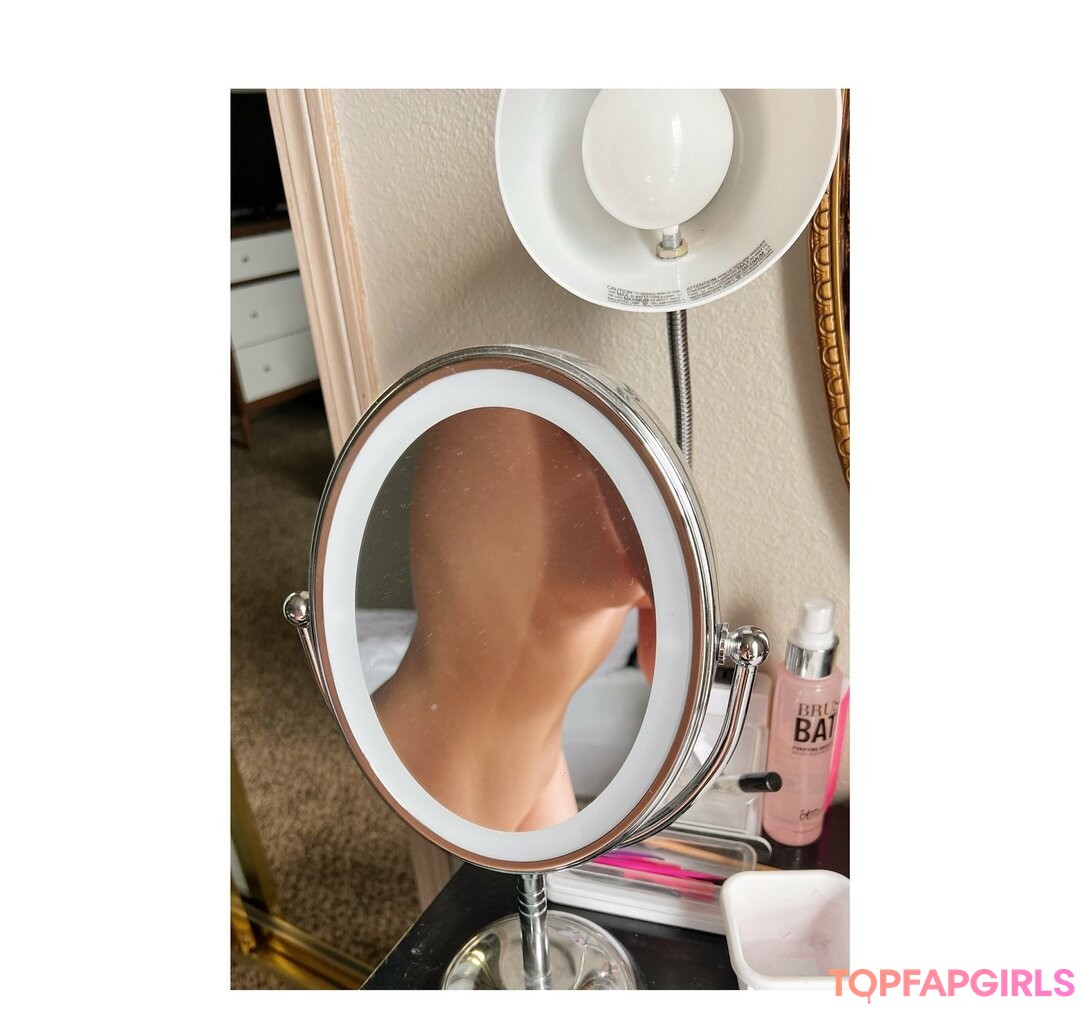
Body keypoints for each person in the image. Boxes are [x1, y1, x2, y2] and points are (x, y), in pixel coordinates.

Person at [373, 408, 654, 831]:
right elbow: (669, 576)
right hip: (441, 767)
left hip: (540, 766)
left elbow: (664, 658)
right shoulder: (552, 402)